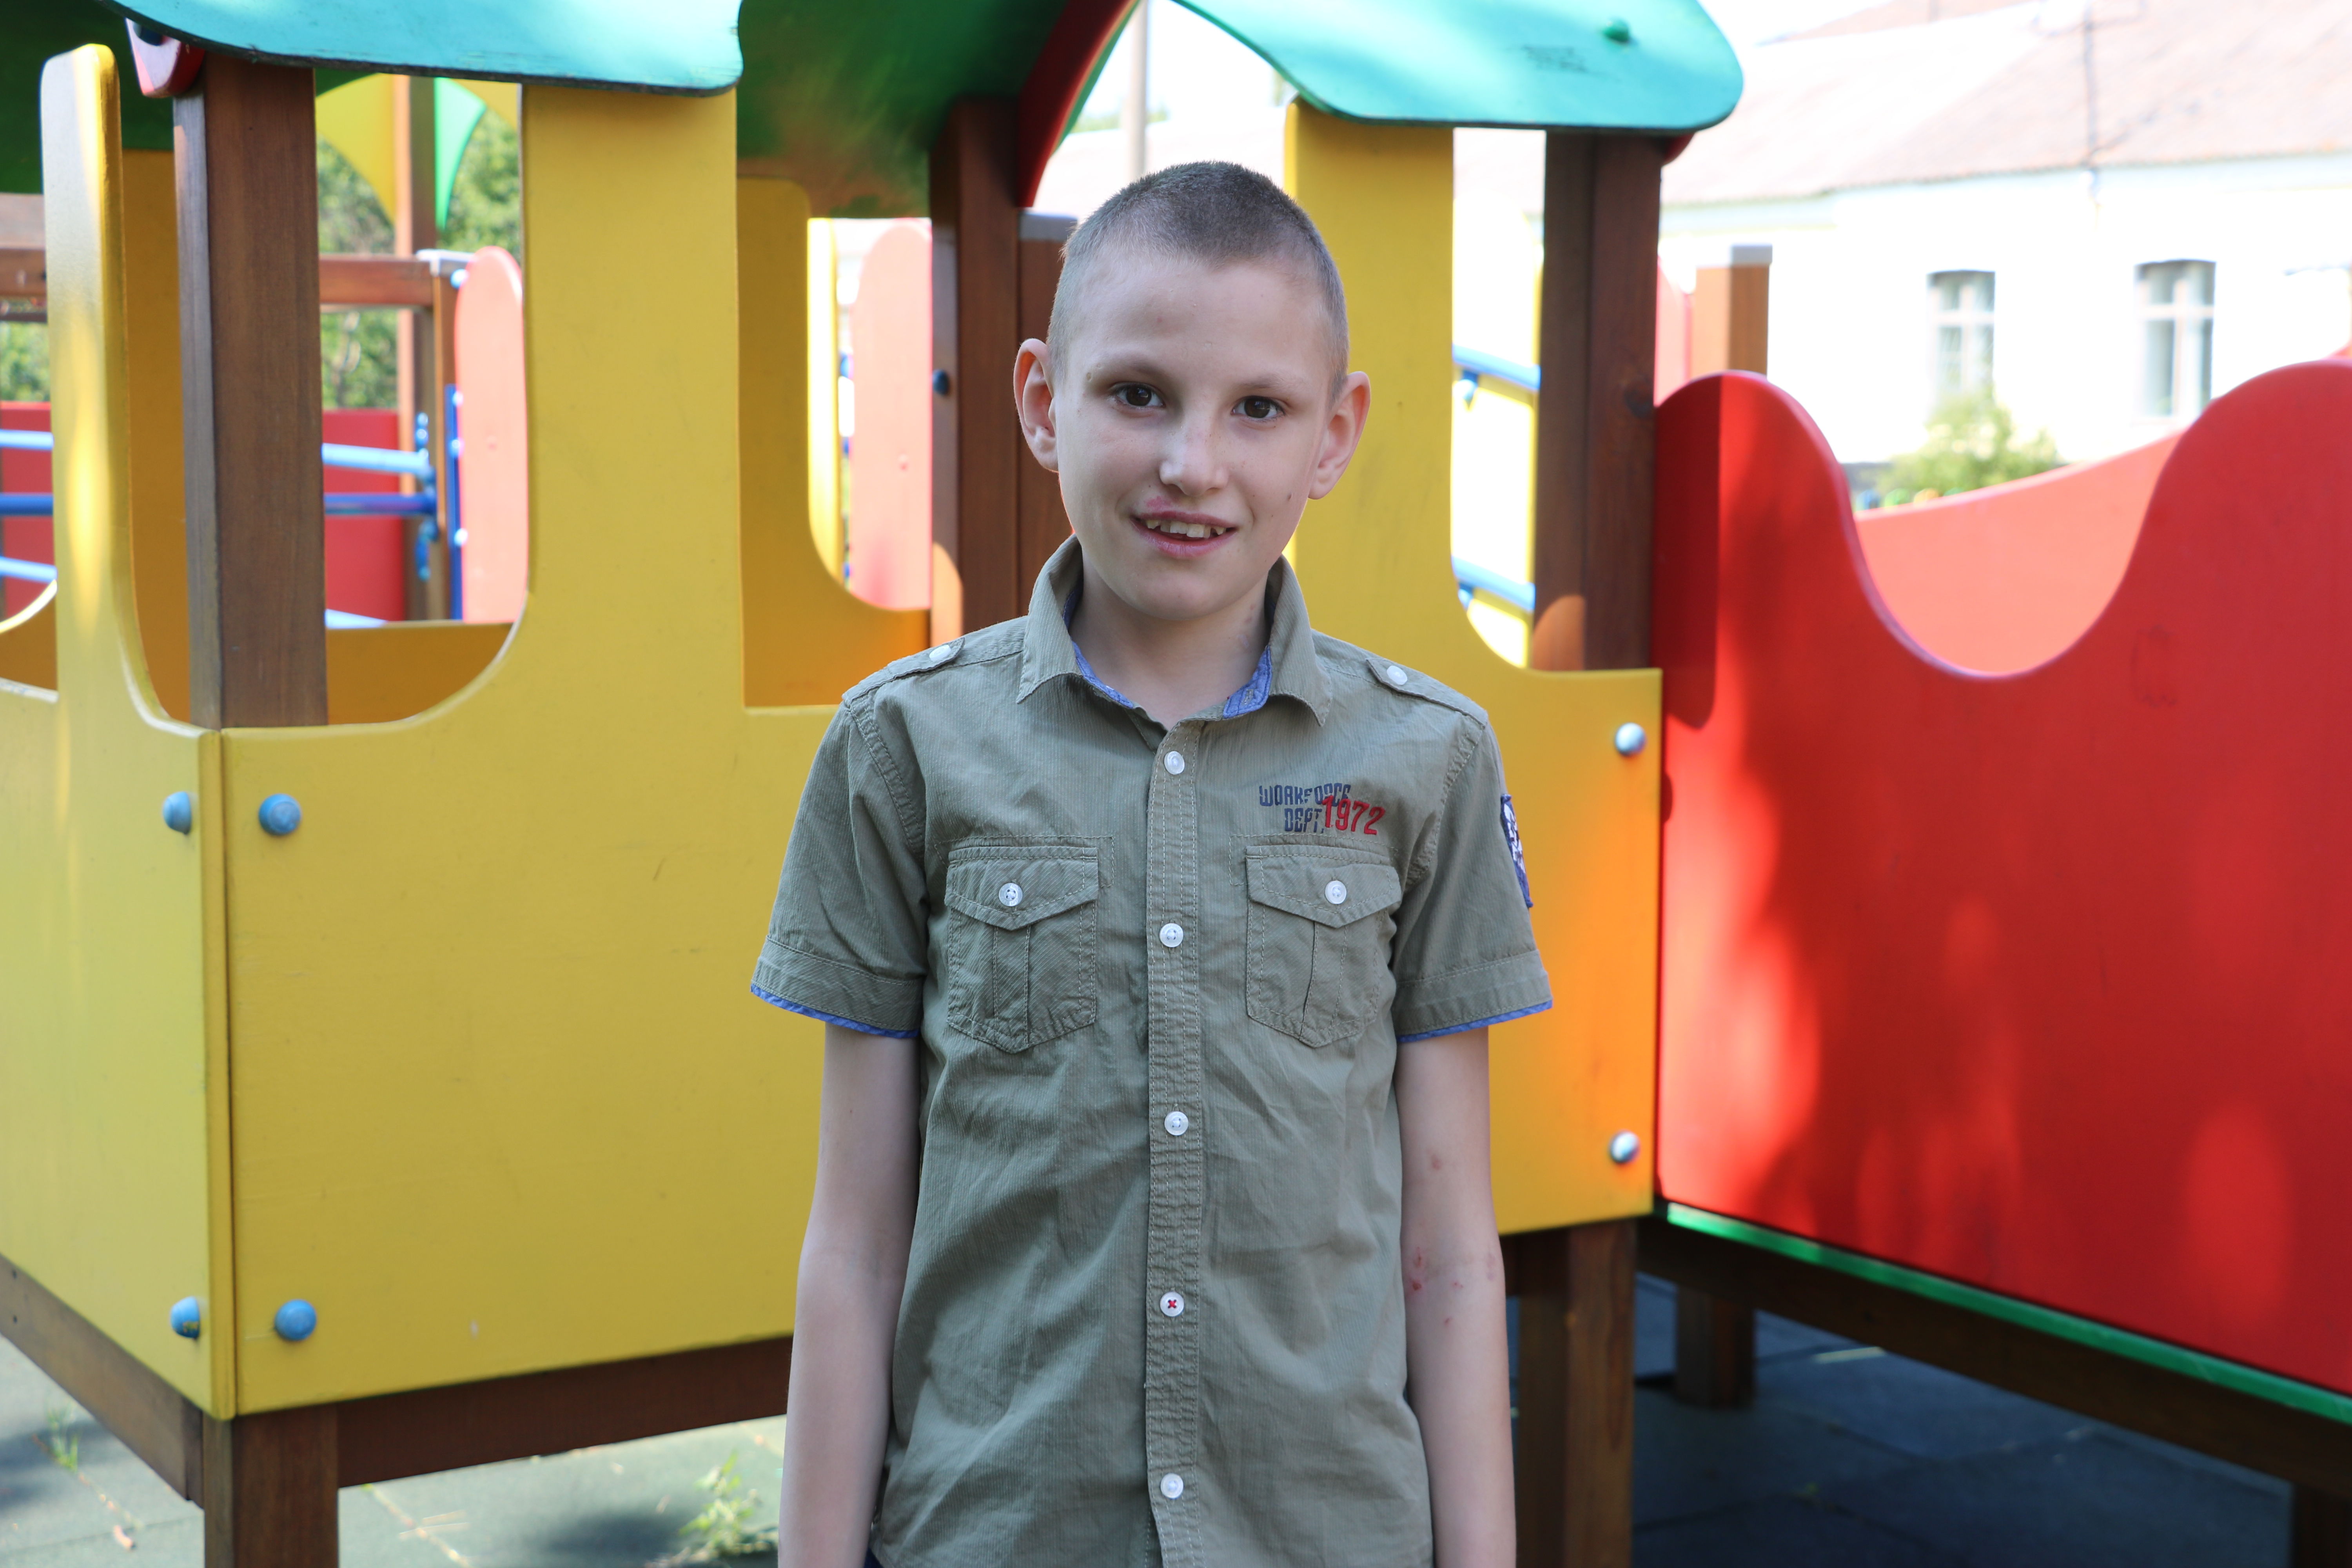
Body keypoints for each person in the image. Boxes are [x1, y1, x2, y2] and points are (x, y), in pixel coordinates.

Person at [753, 161, 1550, 1568]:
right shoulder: (903, 747)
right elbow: (855, 1245)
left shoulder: (1428, 759)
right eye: (1138, 394)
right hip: (1000, 1533)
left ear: (1335, 433)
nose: (1194, 464)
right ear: (1040, 399)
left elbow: (1448, 1247)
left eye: (1259, 409)